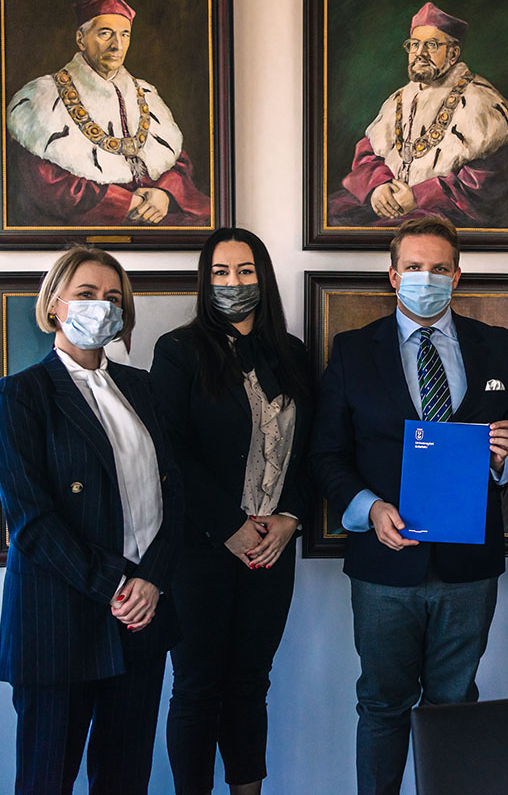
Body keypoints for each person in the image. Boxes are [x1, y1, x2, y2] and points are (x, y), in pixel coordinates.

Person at [309, 216, 508, 795]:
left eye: (438, 268)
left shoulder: (496, 346)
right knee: (383, 704)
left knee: (455, 706)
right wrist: (370, 509)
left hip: (468, 565)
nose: (425, 277)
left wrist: (501, 459)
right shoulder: (353, 351)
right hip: (384, 565)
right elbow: (326, 454)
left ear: (457, 276)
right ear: (393, 275)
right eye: (413, 266)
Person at [0, 246, 183, 793]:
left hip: (142, 618)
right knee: (45, 780)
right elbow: (31, 521)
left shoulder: (142, 387)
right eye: (87, 294)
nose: (102, 306)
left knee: (124, 780)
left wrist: (152, 580)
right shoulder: (20, 394)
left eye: (113, 297)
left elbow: (174, 495)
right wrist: (119, 584)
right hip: (58, 621)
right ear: (54, 304)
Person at [150, 228, 313, 795]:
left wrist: (290, 518)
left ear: (262, 277)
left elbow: (311, 448)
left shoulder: (292, 354)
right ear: (205, 280)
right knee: (196, 688)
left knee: (250, 683)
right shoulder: (178, 350)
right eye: (220, 272)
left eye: (245, 270)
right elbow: (168, 451)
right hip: (201, 549)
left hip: (273, 548)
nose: (233, 282)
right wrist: (229, 527)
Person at [5, 0, 211, 228]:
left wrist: (165, 194)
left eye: (125, 35)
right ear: (81, 39)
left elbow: (178, 162)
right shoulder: (43, 97)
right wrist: (126, 203)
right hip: (90, 221)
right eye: (105, 33)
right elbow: (45, 184)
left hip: (156, 215)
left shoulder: (146, 95)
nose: (117, 45)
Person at [327, 2, 508, 228]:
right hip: (391, 200)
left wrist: (418, 196)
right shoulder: (397, 99)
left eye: (431, 45)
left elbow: (487, 182)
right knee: (333, 212)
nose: (420, 53)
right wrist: (378, 187)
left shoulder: (483, 102)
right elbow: (366, 154)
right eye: (414, 45)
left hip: (444, 209)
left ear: (453, 54)